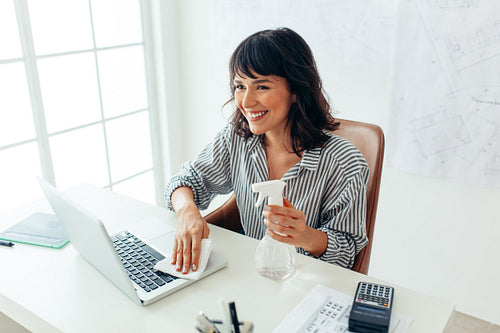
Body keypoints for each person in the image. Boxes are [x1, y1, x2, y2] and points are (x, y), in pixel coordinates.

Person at [165, 27, 369, 275]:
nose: (247, 102)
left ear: (296, 91)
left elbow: (347, 253)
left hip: (307, 287)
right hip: (250, 277)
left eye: (261, 87)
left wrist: (304, 235)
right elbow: (186, 181)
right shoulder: (237, 139)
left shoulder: (344, 162)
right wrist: (187, 211)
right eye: (240, 86)